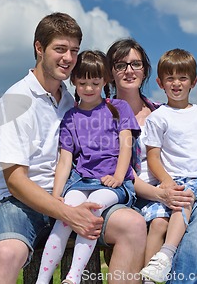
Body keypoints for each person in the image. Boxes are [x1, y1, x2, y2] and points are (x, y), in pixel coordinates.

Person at [0, 13, 148, 284]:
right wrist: (67, 212)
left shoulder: (72, 100)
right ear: (39, 48)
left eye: (74, 50)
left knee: (133, 225)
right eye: (60, 49)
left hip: (77, 193)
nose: (68, 58)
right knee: (7, 253)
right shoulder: (15, 102)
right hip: (20, 203)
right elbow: (15, 182)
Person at [106, 39, 197, 284]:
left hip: (181, 190)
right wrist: (162, 192)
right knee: (178, 218)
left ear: (145, 70)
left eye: (135, 64)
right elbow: (120, 173)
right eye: (120, 64)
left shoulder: (160, 110)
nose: (129, 70)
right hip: (141, 196)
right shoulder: (103, 116)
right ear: (109, 72)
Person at [36, 50, 140, 284]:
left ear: (105, 81)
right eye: (82, 83)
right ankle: (42, 280)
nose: (89, 88)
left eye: (95, 82)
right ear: (73, 81)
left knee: (92, 211)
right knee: (67, 216)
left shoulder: (118, 108)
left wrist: (118, 176)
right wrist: (55, 197)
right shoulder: (71, 118)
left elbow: (126, 146)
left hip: (113, 184)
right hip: (81, 180)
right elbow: (65, 160)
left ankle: (72, 278)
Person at [138, 48, 197, 282]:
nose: (176, 83)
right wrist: (167, 182)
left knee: (187, 197)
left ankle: (165, 255)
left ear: (194, 82)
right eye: (170, 78)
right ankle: (155, 271)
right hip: (175, 183)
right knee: (168, 221)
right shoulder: (158, 117)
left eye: (182, 78)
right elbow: (153, 158)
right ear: (160, 83)